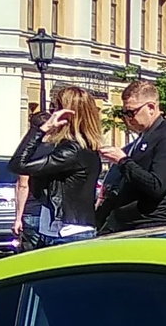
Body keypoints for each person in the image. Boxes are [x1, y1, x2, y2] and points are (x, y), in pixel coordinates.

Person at [13, 86, 103, 247]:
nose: (52, 113)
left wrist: (41, 129)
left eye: (56, 108)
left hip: (70, 232)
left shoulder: (74, 150)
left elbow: (19, 164)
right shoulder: (77, 148)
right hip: (56, 229)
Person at [98, 78, 166, 233]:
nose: (127, 118)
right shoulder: (144, 137)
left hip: (149, 226)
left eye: (131, 112)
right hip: (125, 223)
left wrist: (123, 161)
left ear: (151, 108)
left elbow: (156, 186)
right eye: (124, 113)